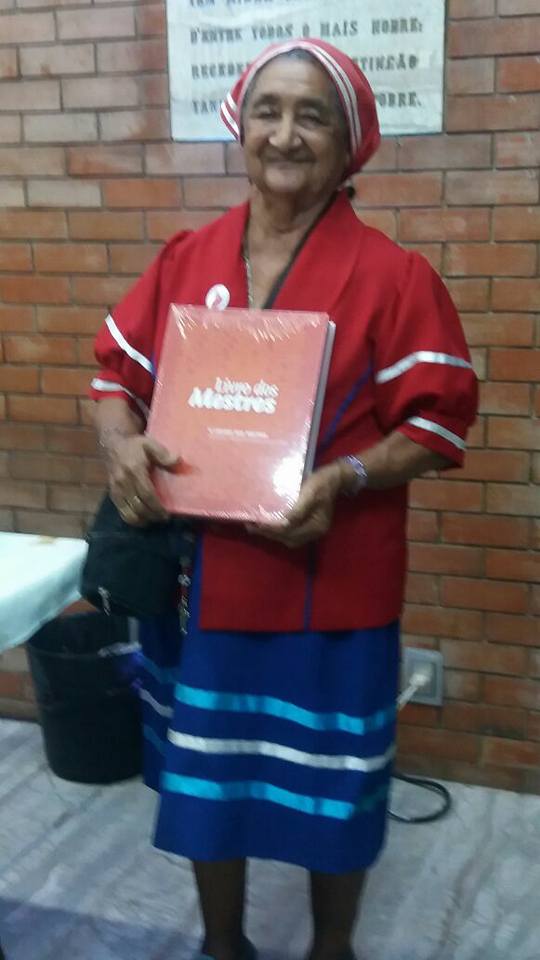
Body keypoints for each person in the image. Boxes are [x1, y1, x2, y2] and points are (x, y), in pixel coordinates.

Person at [90, 38, 477, 960]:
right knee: (208, 782)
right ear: (241, 125)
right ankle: (223, 943)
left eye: (313, 116)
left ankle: (331, 947)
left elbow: (438, 424)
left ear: (350, 145)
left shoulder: (393, 276)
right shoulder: (188, 258)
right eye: (268, 110)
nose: (285, 134)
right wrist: (120, 445)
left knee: (334, 786)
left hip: (330, 583)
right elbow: (114, 379)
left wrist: (349, 476)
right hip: (201, 583)